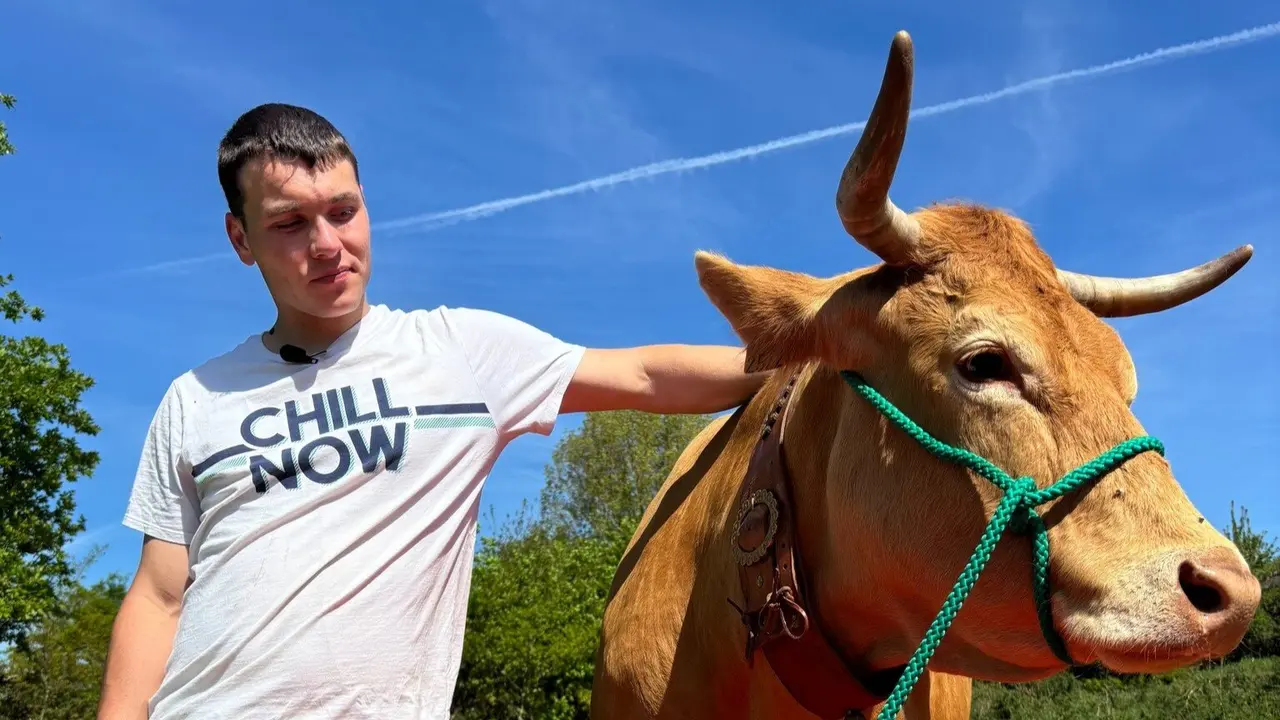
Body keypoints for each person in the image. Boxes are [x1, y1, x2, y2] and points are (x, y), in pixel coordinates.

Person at [95, 103, 768, 720]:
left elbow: (643, 375)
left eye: (344, 210)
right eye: (290, 223)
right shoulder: (196, 397)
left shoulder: (461, 352)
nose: (328, 243)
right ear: (241, 239)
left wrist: (818, 349)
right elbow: (160, 597)